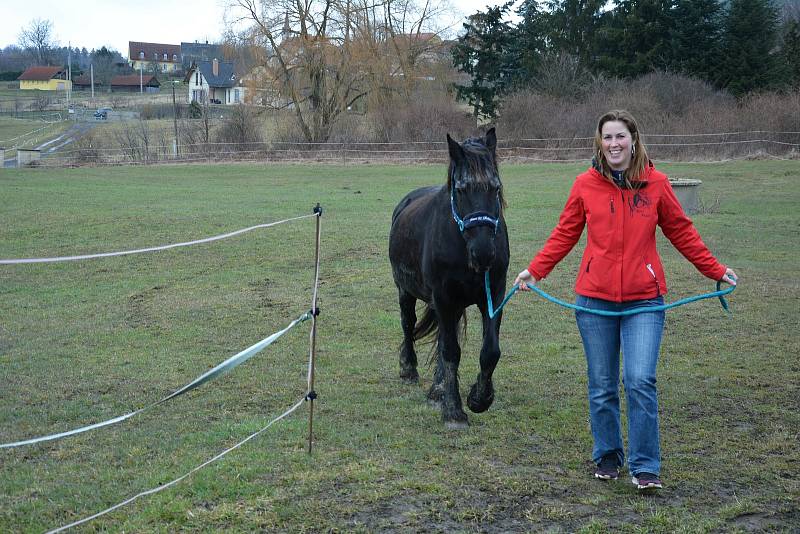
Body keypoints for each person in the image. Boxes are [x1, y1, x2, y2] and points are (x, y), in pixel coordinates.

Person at [514, 110, 737, 490]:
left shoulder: (657, 184)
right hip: (594, 300)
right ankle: (607, 456)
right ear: (599, 143)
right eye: (607, 138)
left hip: (644, 302)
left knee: (639, 379)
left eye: (620, 137)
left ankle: (645, 465)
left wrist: (714, 269)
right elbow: (564, 234)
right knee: (601, 383)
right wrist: (535, 270)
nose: (614, 144)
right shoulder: (585, 185)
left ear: (633, 139)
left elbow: (682, 232)